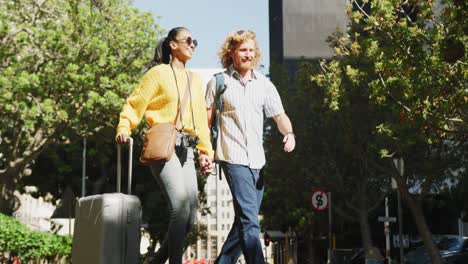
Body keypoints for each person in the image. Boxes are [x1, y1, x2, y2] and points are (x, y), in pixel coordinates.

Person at [115, 27, 213, 264]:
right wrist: (124, 127)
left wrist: (205, 152)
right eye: (187, 40)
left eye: (195, 41)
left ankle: (158, 260)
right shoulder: (158, 73)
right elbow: (136, 102)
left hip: (187, 150)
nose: (192, 44)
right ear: (172, 44)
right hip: (164, 146)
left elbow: (200, 120)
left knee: (190, 215)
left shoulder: (195, 80)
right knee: (179, 207)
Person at [205, 30, 296, 264]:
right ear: (232, 53)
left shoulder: (264, 85)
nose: (248, 54)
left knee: (245, 220)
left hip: (257, 160)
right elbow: (205, 122)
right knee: (250, 220)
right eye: (242, 50)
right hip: (232, 157)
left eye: (251, 50)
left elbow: (280, 115)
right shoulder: (219, 82)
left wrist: (289, 133)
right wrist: (204, 153)